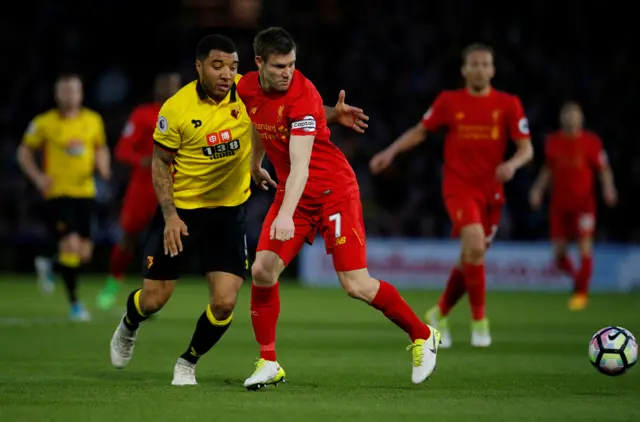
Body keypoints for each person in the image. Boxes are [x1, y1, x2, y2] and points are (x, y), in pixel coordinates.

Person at [108, 34, 368, 386]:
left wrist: (334, 114)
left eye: (232, 66)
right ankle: (129, 323)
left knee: (225, 303)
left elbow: (295, 111)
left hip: (228, 212)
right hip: (183, 211)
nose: (227, 74)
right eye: (218, 66)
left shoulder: (246, 94)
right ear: (199, 67)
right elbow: (160, 163)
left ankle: (188, 362)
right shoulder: (177, 108)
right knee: (153, 300)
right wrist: (170, 215)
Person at [237, 27, 440, 390]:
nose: (288, 72)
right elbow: (259, 120)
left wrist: (285, 214)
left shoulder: (303, 94)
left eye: (293, 64)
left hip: (333, 190)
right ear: (259, 63)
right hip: (293, 193)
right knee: (263, 270)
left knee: (356, 284)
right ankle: (268, 362)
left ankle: (424, 335)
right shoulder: (246, 87)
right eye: (281, 65)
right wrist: (255, 163)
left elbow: (300, 165)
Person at [370, 43, 533, 349]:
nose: (480, 69)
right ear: (464, 69)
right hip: (459, 187)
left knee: (473, 256)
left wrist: (512, 164)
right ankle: (480, 323)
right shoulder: (449, 101)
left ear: (493, 70)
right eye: (474, 64)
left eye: (486, 64)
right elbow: (421, 130)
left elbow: (527, 149)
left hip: (492, 191)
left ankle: (439, 312)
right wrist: (391, 151)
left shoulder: (509, 104)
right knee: (473, 244)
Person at [17, 73, 111, 321]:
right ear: (57, 94)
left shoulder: (93, 120)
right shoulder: (44, 123)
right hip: (57, 193)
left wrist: (103, 166)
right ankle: (75, 305)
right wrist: (38, 178)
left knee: (83, 252)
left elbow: (100, 146)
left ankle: (49, 262)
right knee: (70, 245)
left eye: (74, 90)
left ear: (81, 93)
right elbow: (24, 152)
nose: (70, 95)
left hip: (86, 192)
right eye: (65, 90)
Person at [96, 72, 182, 311]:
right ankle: (113, 283)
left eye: (173, 85)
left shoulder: (189, 114)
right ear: (157, 88)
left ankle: (153, 292)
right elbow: (122, 150)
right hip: (143, 188)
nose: (168, 89)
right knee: (128, 237)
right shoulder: (142, 115)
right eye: (164, 84)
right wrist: (142, 160)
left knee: (167, 241)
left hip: (176, 188)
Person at [529, 102, 617, 311]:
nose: (571, 118)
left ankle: (581, 294)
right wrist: (537, 190)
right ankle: (579, 279)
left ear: (581, 118)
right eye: (567, 114)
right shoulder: (553, 142)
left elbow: (604, 169)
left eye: (574, 114)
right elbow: (548, 170)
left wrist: (609, 188)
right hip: (559, 205)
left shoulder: (591, 142)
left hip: (583, 205)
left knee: (584, 247)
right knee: (559, 256)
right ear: (561, 118)